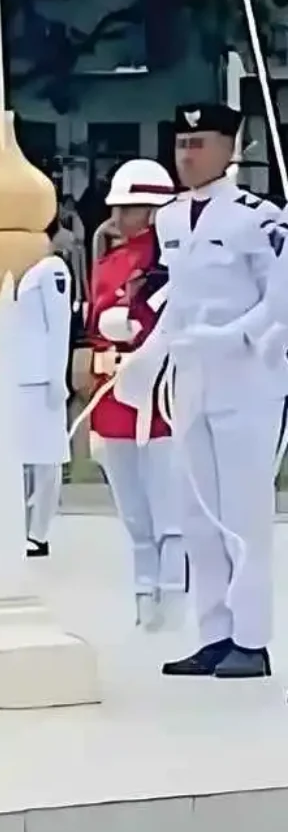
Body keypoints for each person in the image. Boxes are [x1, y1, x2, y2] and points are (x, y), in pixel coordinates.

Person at [124, 104, 284, 678]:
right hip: (190, 377)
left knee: (243, 512)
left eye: (200, 143)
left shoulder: (257, 217)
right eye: (182, 143)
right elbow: (178, 305)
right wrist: (147, 358)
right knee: (197, 513)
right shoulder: (168, 220)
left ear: (228, 149)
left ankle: (251, 638)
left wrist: (233, 335)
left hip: (247, 376)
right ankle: (214, 632)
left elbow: (280, 297)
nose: (187, 155)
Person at [87, 158, 186, 630]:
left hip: (161, 400)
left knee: (168, 513)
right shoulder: (109, 264)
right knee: (133, 514)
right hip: (114, 397)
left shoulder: (172, 261)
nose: (119, 217)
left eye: (129, 208)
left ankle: (172, 599)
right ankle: (144, 597)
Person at [14, 231, 72, 557]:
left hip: (42, 377)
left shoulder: (51, 269)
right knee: (24, 458)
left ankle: (39, 532)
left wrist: (56, 377)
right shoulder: (21, 272)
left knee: (47, 459)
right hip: (21, 377)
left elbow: (59, 325)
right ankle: (22, 527)